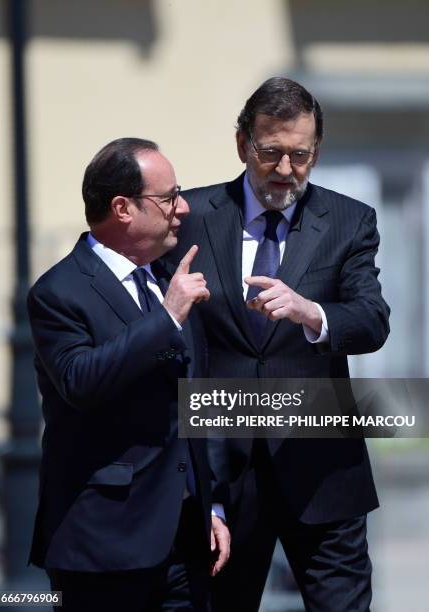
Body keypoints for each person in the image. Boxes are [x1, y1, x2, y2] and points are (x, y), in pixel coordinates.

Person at [167, 78, 390, 611]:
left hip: (321, 469)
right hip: (222, 472)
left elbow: (371, 320)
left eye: (301, 155)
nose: (286, 170)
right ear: (243, 143)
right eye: (271, 153)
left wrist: (311, 312)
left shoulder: (349, 220)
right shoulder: (190, 216)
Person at [27, 137, 230, 611]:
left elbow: (197, 398)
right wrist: (167, 318)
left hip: (185, 542)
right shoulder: (59, 292)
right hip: (104, 546)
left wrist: (212, 504)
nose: (182, 207)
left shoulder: (168, 278)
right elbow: (80, 380)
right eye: (168, 197)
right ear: (123, 208)